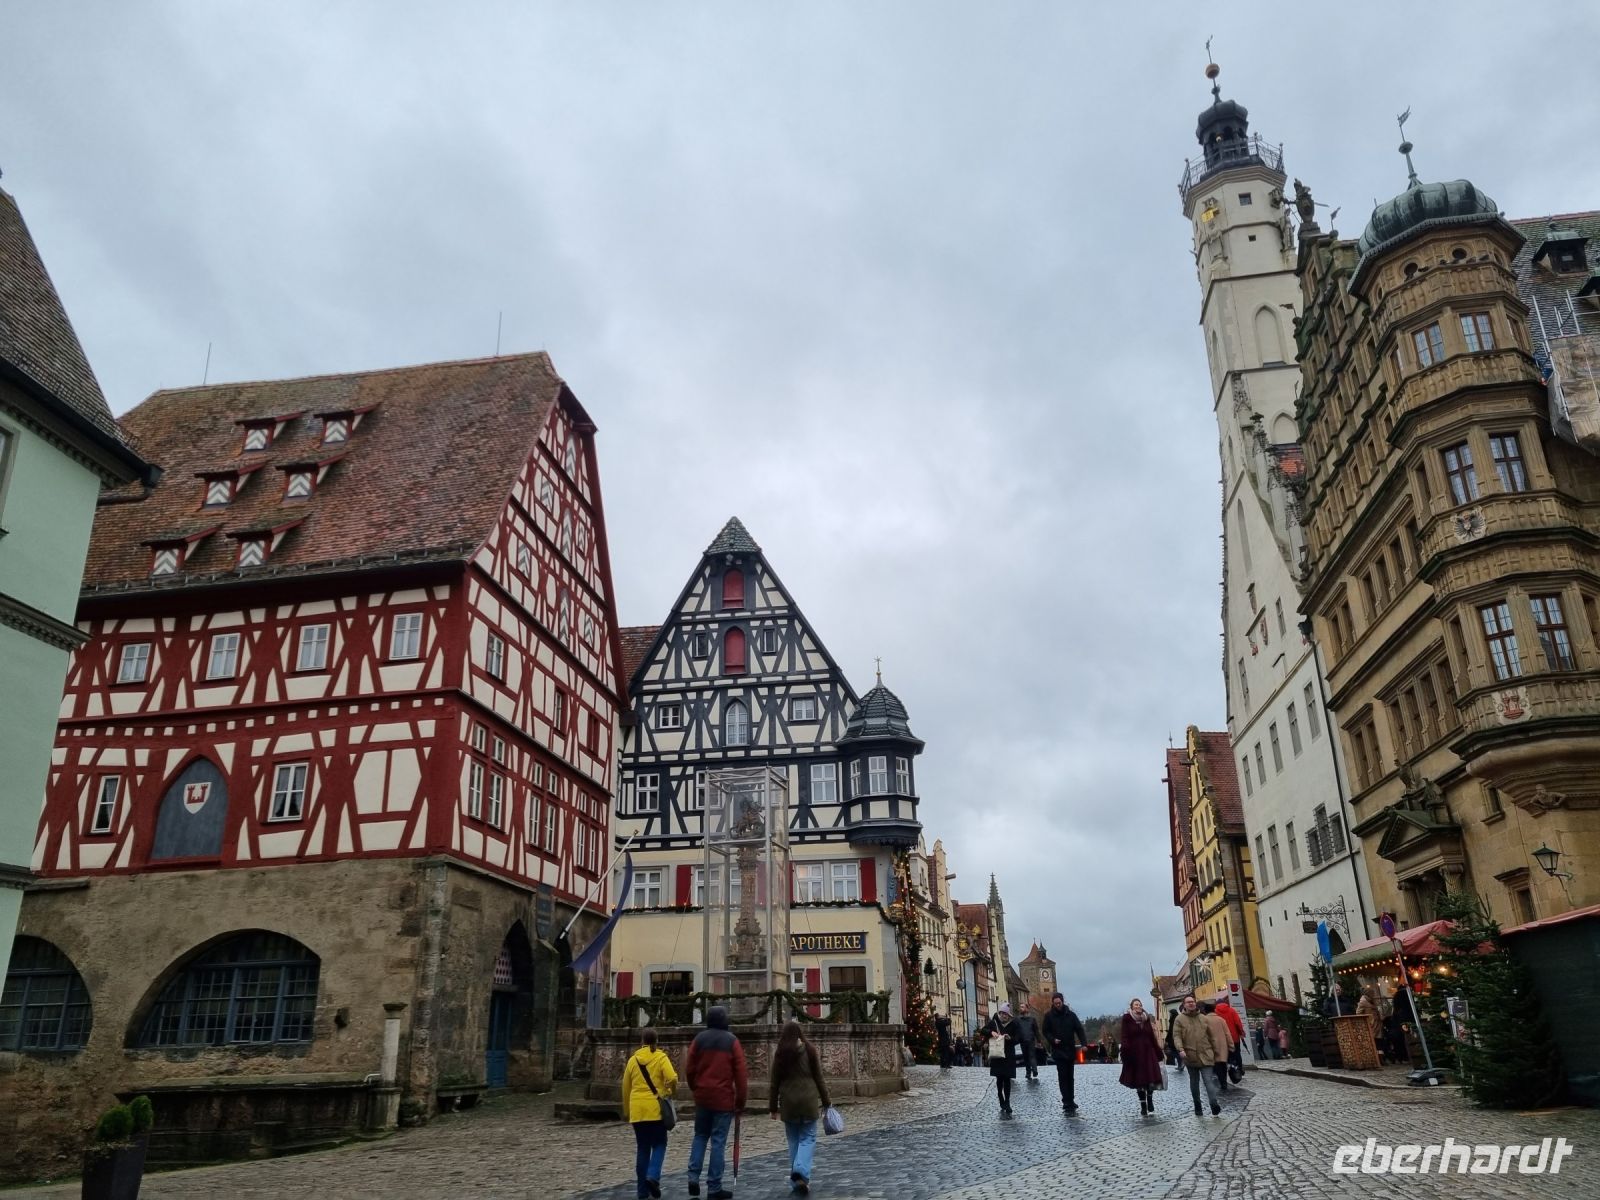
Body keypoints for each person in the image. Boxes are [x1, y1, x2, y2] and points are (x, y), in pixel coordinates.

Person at [685, 1004, 748, 1200]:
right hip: (723, 1099)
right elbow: (741, 1074)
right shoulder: (732, 1041)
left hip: (703, 1097)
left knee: (700, 1136)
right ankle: (714, 1186)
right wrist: (740, 1101)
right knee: (718, 1141)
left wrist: (695, 1087)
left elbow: (689, 1068)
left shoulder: (699, 1040)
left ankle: (693, 1176)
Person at [768, 1020, 831, 1196]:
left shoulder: (780, 1054)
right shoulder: (809, 1050)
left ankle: (798, 1182)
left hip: (789, 1105)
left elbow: (774, 1083)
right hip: (808, 1102)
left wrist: (773, 1108)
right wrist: (826, 1101)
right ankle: (801, 1172)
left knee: (794, 1141)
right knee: (808, 1138)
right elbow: (819, 1078)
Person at [621, 1028, 678, 1200]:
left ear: (642, 1041)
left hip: (638, 1110)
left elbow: (625, 1087)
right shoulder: (660, 1057)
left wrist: (627, 1110)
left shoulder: (633, 1060)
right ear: (656, 1041)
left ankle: (642, 1191)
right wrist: (669, 1091)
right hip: (655, 1109)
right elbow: (673, 1078)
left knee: (642, 1148)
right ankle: (653, 1176)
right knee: (659, 1144)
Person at [1171, 994, 1225, 1116]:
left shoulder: (1203, 1018)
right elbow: (1177, 1036)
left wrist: (1216, 1051)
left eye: (1193, 1002)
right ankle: (1197, 1105)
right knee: (1194, 1082)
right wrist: (1180, 1049)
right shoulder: (1179, 1020)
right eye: (1188, 1002)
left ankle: (1214, 1104)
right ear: (1184, 1005)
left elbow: (1212, 1036)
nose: (1191, 1004)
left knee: (1208, 1081)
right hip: (1190, 1055)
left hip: (1206, 1053)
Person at [1041, 992, 1088, 1114]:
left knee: (1070, 1077)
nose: (1057, 1005)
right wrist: (1052, 1040)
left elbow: (1079, 1029)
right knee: (1062, 1077)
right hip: (1058, 1050)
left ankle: (1071, 1100)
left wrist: (1084, 1044)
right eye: (1055, 1003)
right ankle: (1066, 1101)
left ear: (1062, 1002)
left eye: (1059, 1003)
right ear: (1053, 1003)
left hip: (1070, 1049)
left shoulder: (1071, 1015)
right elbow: (1045, 1031)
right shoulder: (1049, 1016)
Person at [1118, 998, 1165, 1117]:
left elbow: (1152, 1036)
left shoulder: (1146, 1018)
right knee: (1140, 1081)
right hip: (1135, 1053)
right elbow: (1124, 1036)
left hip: (1149, 1052)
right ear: (1132, 1007)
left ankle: (1150, 1099)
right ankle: (1143, 1105)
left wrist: (1159, 1052)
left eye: (1139, 1004)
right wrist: (1125, 1051)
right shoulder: (1127, 1018)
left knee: (1152, 1078)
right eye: (1136, 1005)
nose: (1138, 1006)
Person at [983, 1003, 1023, 1117]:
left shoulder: (1014, 1024)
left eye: (1006, 1014)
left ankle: (1008, 1102)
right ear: (999, 1014)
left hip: (1009, 1055)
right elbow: (983, 1030)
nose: (1004, 1016)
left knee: (1007, 1079)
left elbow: (1018, 1038)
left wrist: (1010, 1038)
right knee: (999, 1079)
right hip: (997, 1055)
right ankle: (1001, 1097)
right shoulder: (993, 1023)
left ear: (1009, 1015)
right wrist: (992, 1032)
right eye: (1002, 1013)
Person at [1212, 999, 1245, 1088]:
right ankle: (1239, 1070)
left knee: (1222, 1058)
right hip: (1234, 1037)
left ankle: (1223, 1077)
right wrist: (1241, 1033)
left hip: (1222, 1039)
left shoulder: (1215, 1012)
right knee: (1236, 1054)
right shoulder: (1232, 1010)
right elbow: (1238, 1023)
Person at [1015, 1007, 1041, 1081]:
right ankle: (1028, 1072)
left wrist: (1039, 1041)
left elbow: (1036, 1031)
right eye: (1021, 1007)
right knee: (1026, 1057)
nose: (1021, 1008)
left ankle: (1035, 1070)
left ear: (1027, 1009)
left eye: (1023, 1007)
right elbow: (1015, 1029)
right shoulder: (1018, 1020)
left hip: (1030, 1040)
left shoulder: (1032, 1019)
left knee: (1031, 1055)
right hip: (1022, 1041)